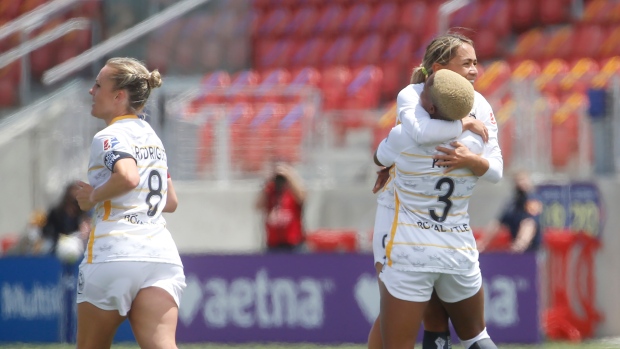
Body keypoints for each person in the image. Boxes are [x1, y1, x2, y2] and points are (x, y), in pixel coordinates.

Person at [368, 32, 503, 349]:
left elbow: (393, 147)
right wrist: (469, 143)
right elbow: (495, 170)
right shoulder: (472, 119)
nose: (474, 70)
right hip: (456, 241)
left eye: (475, 63)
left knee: (400, 326)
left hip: (408, 239)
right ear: (440, 68)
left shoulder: (409, 130)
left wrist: (384, 162)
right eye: (466, 63)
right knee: (470, 334)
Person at [73, 57, 185, 349]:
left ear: (119, 96)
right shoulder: (153, 138)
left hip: (115, 253)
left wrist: (93, 196)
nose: (91, 91)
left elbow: (129, 176)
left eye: (98, 85)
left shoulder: (108, 136)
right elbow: (170, 201)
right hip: (160, 257)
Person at [478, 171, 542, 253]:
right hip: (514, 236)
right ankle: (482, 244)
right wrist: (484, 241)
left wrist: (521, 243)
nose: (521, 183)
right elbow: (499, 221)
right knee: (496, 223)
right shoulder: (512, 203)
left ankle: (520, 246)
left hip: (533, 246)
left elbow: (531, 222)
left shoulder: (534, 199)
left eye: (523, 180)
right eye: (518, 180)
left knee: (528, 223)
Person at [256, 161, 306, 252]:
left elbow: (302, 197)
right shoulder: (270, 191)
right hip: (273, 243)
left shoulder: (292, 191)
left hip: (293, 243)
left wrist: (289, 175)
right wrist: (268, 180)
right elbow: (257, 206)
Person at [41, 182, 90, 254]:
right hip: (58, 239)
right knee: (46, 246)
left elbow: (85, 227)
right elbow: (46, 229)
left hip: (77, 240)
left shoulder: (82, 212)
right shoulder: (56, 211)